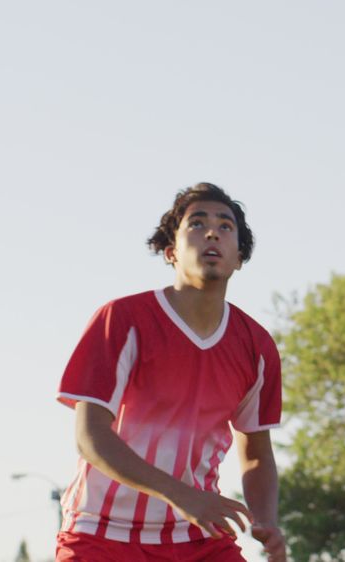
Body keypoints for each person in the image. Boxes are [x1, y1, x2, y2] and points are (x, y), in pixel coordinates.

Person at [55, 183, 287, 561]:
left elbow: (257, 452)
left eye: (225, 226)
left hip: (199, 538)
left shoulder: (256, 346)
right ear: (171, 251)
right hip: (100, 534)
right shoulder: (122, 319)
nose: (212, 232)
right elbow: (90, 436)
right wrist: (184, 495)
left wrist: (267, 521)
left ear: (240, 257)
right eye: (196, 223)